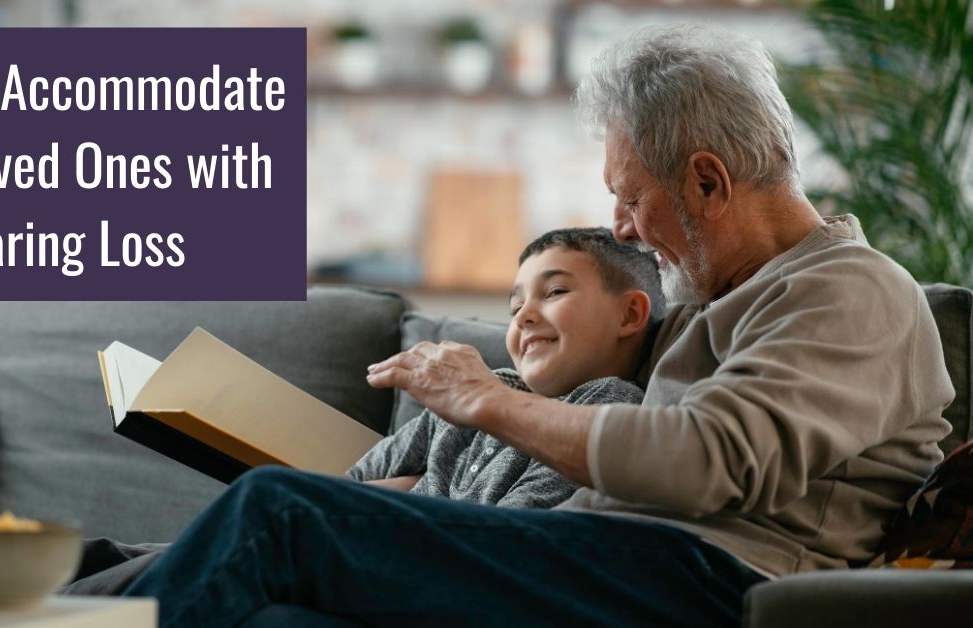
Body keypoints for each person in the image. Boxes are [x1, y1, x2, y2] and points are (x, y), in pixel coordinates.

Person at [121, 23, 954, 627]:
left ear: (707, 181)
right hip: (603, 555)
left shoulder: (852, 290)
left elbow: (711, 458)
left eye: (630, 198)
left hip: (705, 579)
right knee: (148, 566)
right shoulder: (715, 301)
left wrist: (487, 401)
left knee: (280, 512)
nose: (623, 227)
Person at [349, 227, 663, 509]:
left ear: (629, 315)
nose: (523, 315)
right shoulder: (469, 389)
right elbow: (347, 485)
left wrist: (409, 490)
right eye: (515, 307)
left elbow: (508, 533)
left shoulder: (608, 405)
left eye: (555, 292)